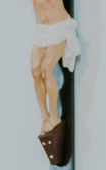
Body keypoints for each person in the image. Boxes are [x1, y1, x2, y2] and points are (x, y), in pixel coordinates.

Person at [32, 0, 80, 134]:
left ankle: (54, 118)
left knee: (46, 69)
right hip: (41, 29)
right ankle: (45, 117)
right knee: (35, 72)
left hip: (58, 26)